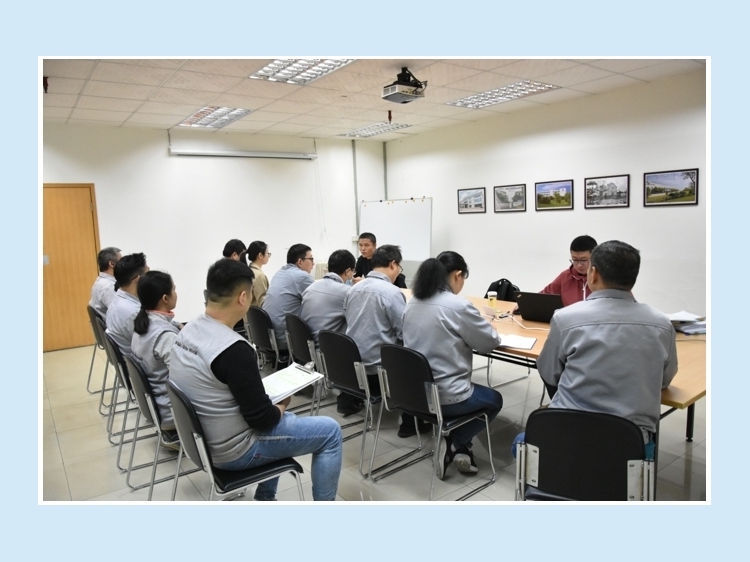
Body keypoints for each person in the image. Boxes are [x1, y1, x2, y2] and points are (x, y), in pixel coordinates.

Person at [169, 258, 342, 501]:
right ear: (243, 297)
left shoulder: (188, 329)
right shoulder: (233, 349)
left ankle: (265, 498)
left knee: (286, 422)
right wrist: (282, 403)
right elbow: (263, 420)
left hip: (200, 444)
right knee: (330, 432)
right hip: (234, 452)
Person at [517, 240, 678, 460]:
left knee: (519, 443)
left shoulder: (565, 318)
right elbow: (664, 380)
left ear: (593, 274)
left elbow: (549, 372)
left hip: (568, 434)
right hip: (630, 443)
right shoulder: (662, 324)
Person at [403, 251, 504, 478]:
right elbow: (488, 343)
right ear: (458, 275)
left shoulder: (413, 302)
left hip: (414, 395)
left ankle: (461, 447)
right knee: (495, 400)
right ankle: (455, 441)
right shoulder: (458, 305)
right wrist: (491, 329)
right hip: (447, 397)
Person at [344, 245, 428, 433]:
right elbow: (405, 333)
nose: (398, 272)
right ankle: (411, 424)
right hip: (379, 373)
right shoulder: (391, 292)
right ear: (393, 264)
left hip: (353, 370)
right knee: (419, 359)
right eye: (399, 267)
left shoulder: (352, 290)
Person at [131, 270, 182, 432]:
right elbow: (184, 379)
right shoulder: (165, 336)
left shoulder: (142, 324)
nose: (176, 293)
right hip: (172, 414)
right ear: (165, 298)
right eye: (174, 290)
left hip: (156, 406)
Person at [262, 243, 315, 352]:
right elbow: (320, 299)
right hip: (285, 339)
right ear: (300, 262)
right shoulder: (302, 276)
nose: (313, 263)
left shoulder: (279, 273)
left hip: (267, 337)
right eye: (311, 259)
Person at [300, 249, 355, 345]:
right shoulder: (347, 292)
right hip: (328, 349)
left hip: (306, 346)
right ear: (348, 271)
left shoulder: (310, 287)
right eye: (353, 271)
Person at [105, 252, 148, 356]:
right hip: (140, 361)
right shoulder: (133, 313)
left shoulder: (117, 299)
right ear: (138, 279)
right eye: (148, 274)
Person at [540, 235, 598, 306]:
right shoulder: (565, 277)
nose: (579, 265)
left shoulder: (603, 277)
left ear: (595, 257)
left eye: (583, 260)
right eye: (575, 260)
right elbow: (541, 298)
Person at [89, 246, 121, 317]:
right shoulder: (109, 287)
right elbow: (119, 315)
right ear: (111, 264)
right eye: (121, 261)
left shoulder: (100, 281)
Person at [247, 240, 271, 308]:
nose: (268, 256)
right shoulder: (259, 275)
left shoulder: (249, 270)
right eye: (267, 253)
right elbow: (263, 303)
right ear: (260, 255)